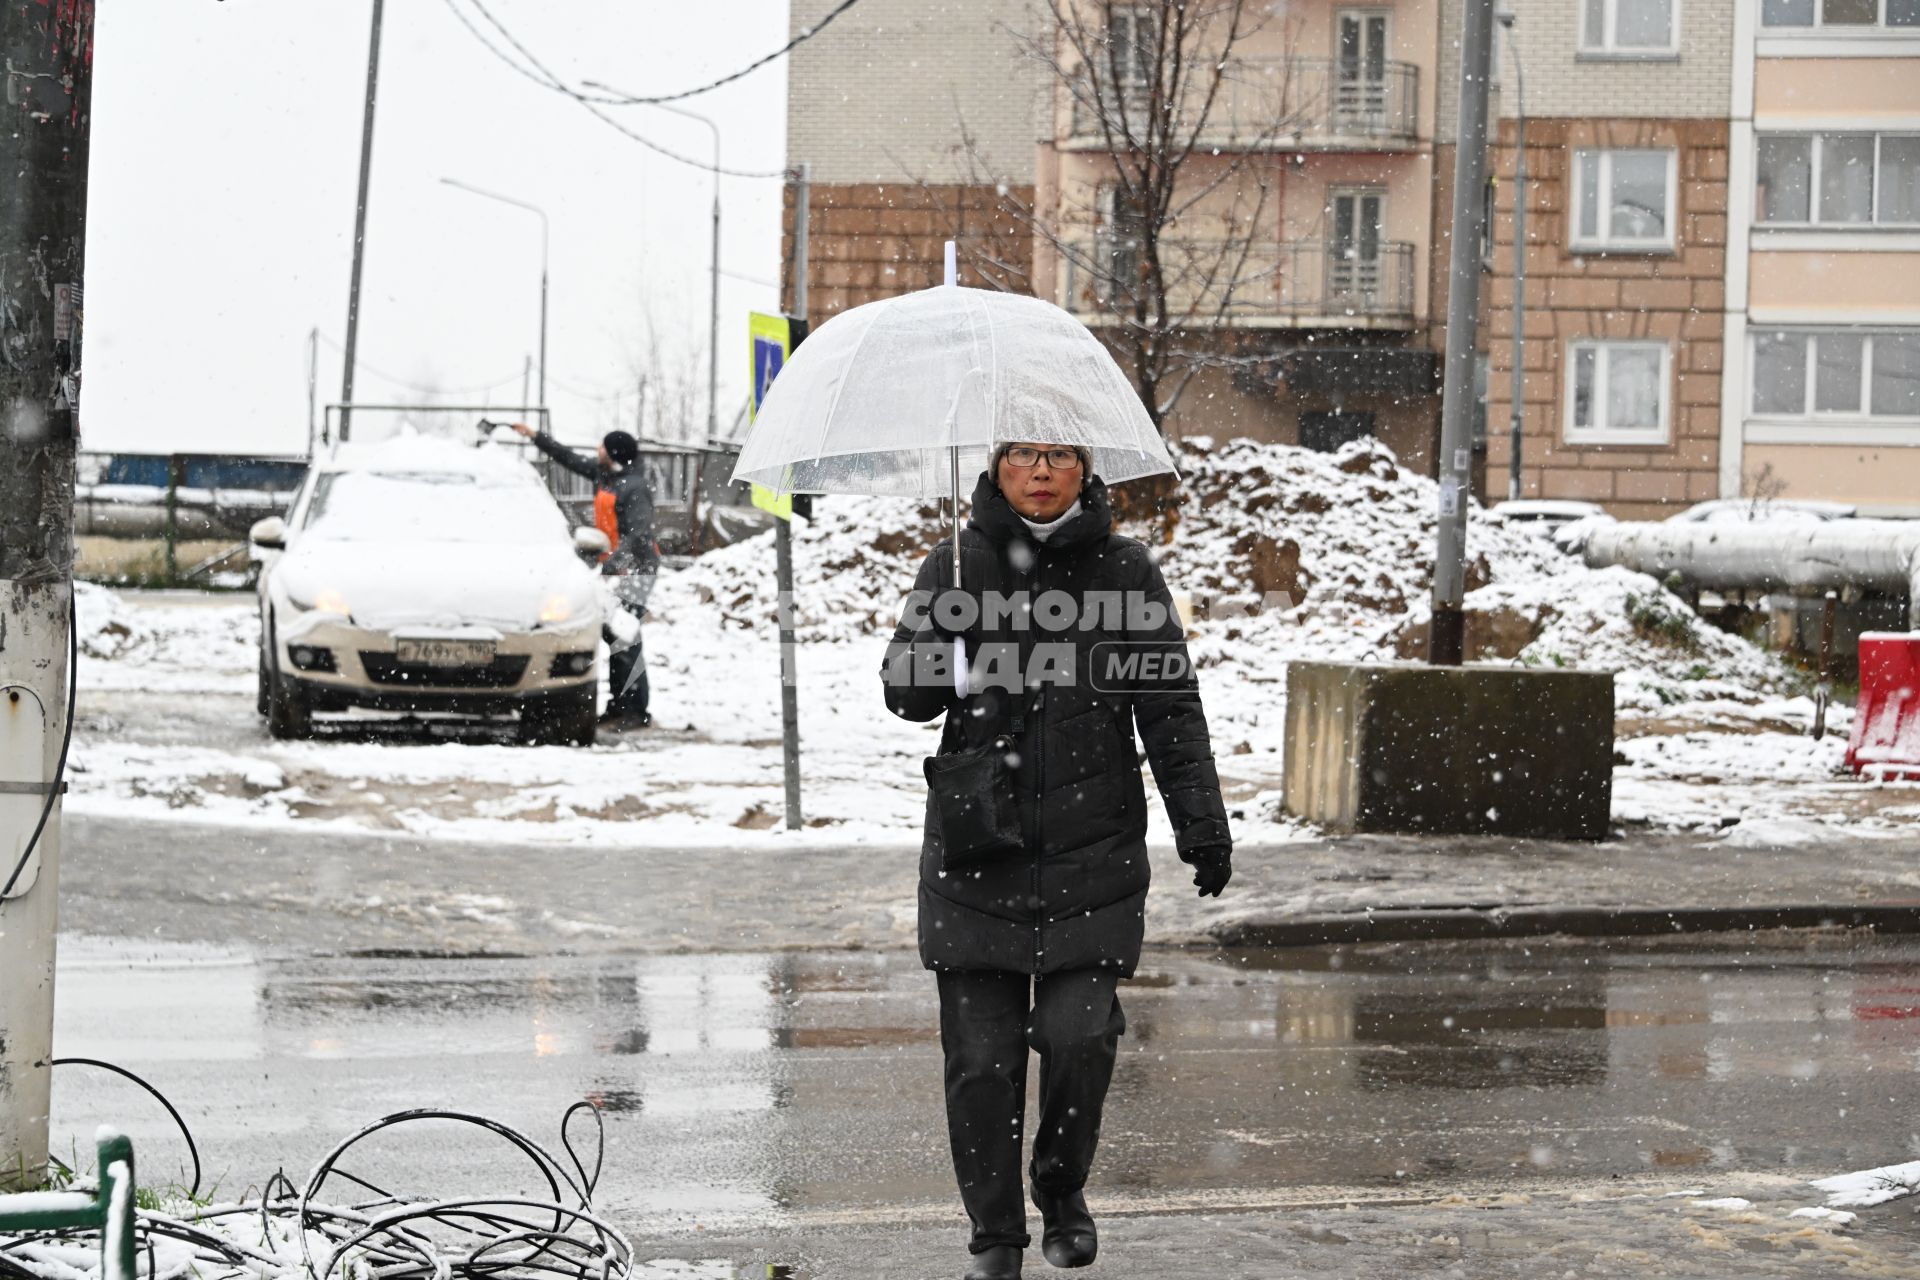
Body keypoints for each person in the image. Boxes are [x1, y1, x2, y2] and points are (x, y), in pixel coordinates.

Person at [881, 441, 1233, 1280]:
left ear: (1086, 471)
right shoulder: (953, 563)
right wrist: (948, 635)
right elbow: (905, 695)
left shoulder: (1126, 573)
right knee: (981, 1063)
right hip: (978, 851)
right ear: (996, 470)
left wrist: (1202, 824)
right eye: (1022, 456)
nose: (1041, 472)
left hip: (1093, 849)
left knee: (1079, 1040)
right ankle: (995, 1236)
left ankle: (1062, 1189)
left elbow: (1170, 704)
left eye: (1060, 457)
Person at [512, 422, 658, 728]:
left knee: (624, 638)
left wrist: (613, 566)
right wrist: (536, 437)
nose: (597, 450)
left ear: (614, 452)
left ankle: (634, 710)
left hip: (635, 571)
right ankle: (621, 706)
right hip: (613, 569)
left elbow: (637, 534)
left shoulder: (635, 487)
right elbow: (568, 458)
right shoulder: (605, 476)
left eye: (603, 446)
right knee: (614, 636)